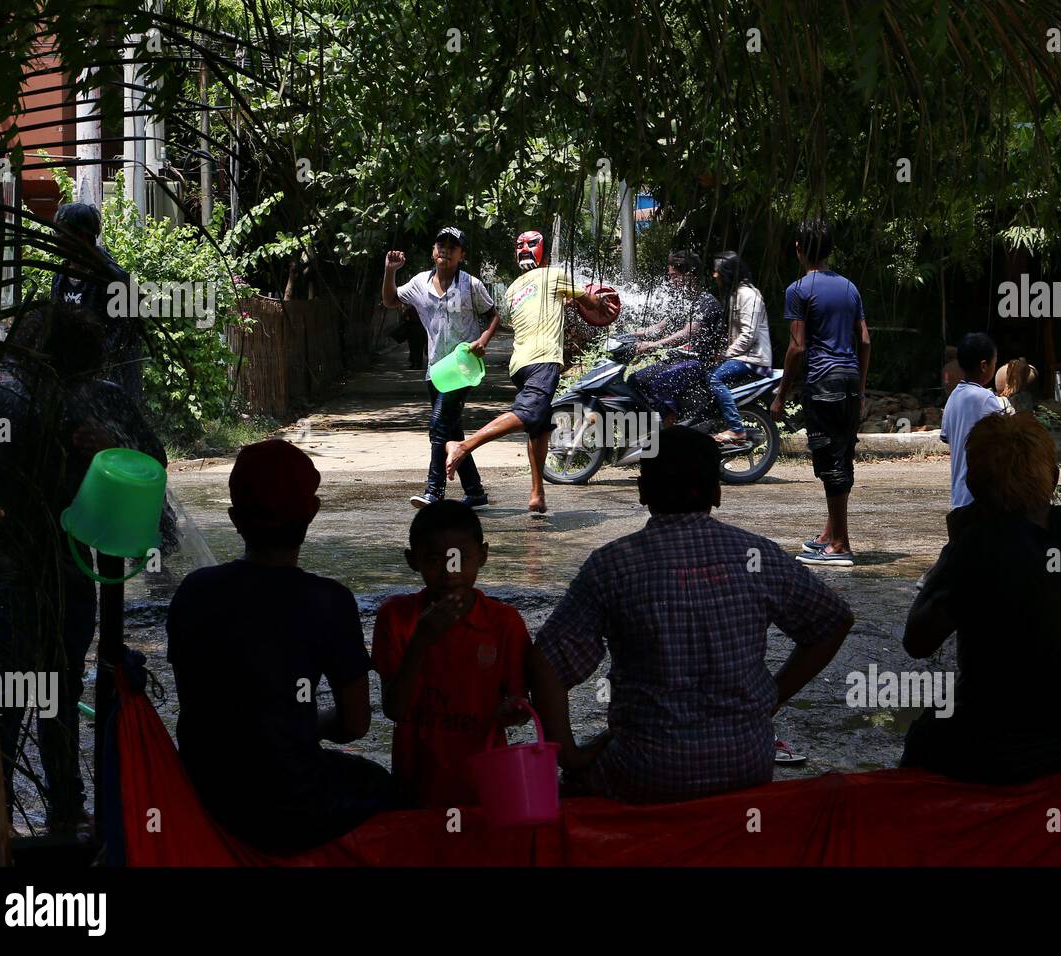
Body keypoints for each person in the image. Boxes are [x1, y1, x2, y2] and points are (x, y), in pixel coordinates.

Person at [527, 427, 854, 803]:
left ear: (642, 492)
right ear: (716, 493)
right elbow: (833, 621)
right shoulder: (756, 555)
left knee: (562, 795)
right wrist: (772, 697)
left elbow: (546, 663)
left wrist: (569, 756)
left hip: (644, 772)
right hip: (746, 764)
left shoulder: (612, 565)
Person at [0, 304, 165, 832]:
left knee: (59, 691)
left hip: (71, 566)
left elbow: (152, 460)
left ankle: (63, 810)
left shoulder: (99, 402)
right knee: (12, 695)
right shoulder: (5, 398)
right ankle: (2, 819)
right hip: (15, 563)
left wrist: (110, 447)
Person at [167, 439, 396, 852]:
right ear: (313, 512)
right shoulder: (329, 601)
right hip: (292, 809)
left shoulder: (194, 591)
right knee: (382, 786)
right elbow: (355, 724)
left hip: (206, 794)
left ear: (235, 519)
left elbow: (204, 707)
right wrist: (296, 725)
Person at [901, 412, 1061, 784]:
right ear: (1053, 476)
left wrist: (952, 551)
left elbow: (917, 641)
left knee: (921, 737)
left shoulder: (981, 546)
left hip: (989, 753)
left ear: (974, 484)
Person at [444, 229, 619, 514]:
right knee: (527, 415)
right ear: (546, 256)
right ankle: (463, 447)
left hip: (520, 365)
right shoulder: (555, 275)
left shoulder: (513, 289)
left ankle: (537, 494)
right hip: (543, 359)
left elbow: (537, 309)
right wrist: (599, 302)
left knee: (539, 428)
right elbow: (591, 303)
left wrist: (565, 302)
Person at [372, 501, 532, 808]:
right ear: (412, 560)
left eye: (460, 558)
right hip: (415, 786)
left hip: (484, 784)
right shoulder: (396, 617)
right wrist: (420, 642)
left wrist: (513, 710)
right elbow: (394, 709)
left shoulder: (503, 623)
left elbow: (519, 704)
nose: (450, 573)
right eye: (435, 560)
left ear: (482, 556)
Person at [771, 218, 871, 568]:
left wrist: (781, 394)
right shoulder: (849, 288)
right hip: (849, 381)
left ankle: (841, 545)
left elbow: (797, 347)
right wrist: (860, 390)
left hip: (823, 382)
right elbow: (864, 341)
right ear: (830, 250)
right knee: (842, 456)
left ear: (799, 249)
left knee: (829, 462)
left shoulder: (798, 290)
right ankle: (830, 533)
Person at [382, 227, 501, 509]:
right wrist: (390, 271)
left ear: (462, 255)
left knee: (438, 425)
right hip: (436, 370)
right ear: (433, 251)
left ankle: (434, 491)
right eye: (441, 245)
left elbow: (494, 316)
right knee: (451, 432)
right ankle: (475, 493)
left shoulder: (470, 285)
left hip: (463, 368)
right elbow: (390, 300)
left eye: (452, 247)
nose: (445, 250)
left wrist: (483, 340)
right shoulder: (419, 283)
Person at [49, 202, 141, 400]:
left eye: (60, 234)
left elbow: (123, 336)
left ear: (81, 236)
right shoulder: (60, 277)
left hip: (109, 385)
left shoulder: (112, 279)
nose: (55, 240)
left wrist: (91, 363)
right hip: (72, 381)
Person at [629, 250, 726, 424]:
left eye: (674, 276)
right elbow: (660, 327)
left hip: (699, 362)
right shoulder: (682, 300)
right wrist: (629, 335)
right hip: (680, 359)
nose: (670, 281)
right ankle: (647, 428)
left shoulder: (706, 302)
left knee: (657, 383)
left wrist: (652, 345)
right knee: (634, 380)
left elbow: (687, 333)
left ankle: (671, 426)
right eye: (670, 277)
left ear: (689, 275)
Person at [708, 250, 772, 444]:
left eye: (717, 271)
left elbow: (748, 334)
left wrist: (726, 354)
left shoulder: (748, 295)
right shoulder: (736, 294)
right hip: (744, 356)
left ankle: (736, 429)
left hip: (753, 358)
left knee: (714, 378)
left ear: (727, 272)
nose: (714, 275)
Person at [940, 332, 1002, 525]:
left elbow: (946, 437)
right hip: (982, 498)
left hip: (959, 497)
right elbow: (1006, 439)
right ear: (984, 366)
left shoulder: (953, 397)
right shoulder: (986, 398)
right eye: (994, 363)